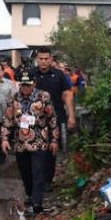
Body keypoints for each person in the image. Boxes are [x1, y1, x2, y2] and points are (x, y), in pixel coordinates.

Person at [1, 70, 59, 214]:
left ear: (34, 83)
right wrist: (4, 139)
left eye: (28, 84)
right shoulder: (13, 98)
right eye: (23, 85)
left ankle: (37, 203)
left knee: (38, 171)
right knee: (25, 173)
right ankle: (31, 195)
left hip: (40, 141)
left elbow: (52, 118)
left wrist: (54, 140)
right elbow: (7, 119)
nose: (26, 87)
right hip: (21, 143)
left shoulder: (43, 97)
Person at [33, 48, 75, 192]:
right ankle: (36, 179)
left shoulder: (59, 75)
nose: (43, 61)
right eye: (41, 59)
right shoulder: (31, 75)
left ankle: (47, 181)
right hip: (35, 120)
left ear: (51, 59)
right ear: (37, 59)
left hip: (55, 118)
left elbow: (67, 95)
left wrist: (71, 116)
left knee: (51, 151)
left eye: (46, 58)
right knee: (36, 150)